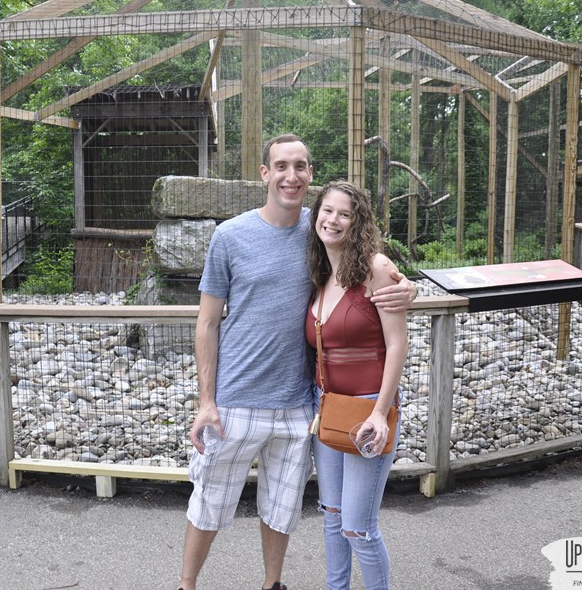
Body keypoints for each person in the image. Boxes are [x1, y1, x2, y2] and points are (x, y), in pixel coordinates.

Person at [176, 135, 415, 590]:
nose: (291, 175)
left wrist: (409, 291)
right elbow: (206, 323)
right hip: (236, 401)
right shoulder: (230, 236)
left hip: (300, 405)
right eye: (281, 166)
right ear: (264, 173)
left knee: (283, 508)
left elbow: (373, 277)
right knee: (209, 501)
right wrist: (206, 401)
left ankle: (273, 585)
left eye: (301, 166)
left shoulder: (321, 228)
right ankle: (187, 585)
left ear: (310, 174)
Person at [305, 180, 408, 590]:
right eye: (327, 210)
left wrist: (381, 414)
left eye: (344, 213)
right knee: (331, 515)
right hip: (327, 406)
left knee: (357, 528)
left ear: (357, 221)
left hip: (368, 408)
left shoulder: (377, 269)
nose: (333, 220)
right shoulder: (319, 273)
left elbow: (398, 344)